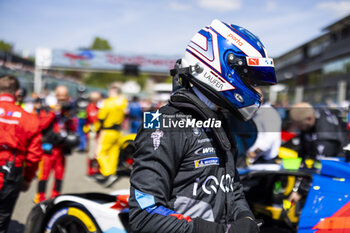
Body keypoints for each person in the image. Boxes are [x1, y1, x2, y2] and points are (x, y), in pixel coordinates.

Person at [129, 19, 277, 233]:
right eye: (247, 77)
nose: (251, 86)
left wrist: (245, 218)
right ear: (221, 67)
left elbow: (232, 186)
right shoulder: (161, 124)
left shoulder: (219, 121)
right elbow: (144, 215)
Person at [0, 75, 43, 232]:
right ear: (17, 92)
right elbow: (34, 156)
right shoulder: (29, 119)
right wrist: (27, 179)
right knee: (2, 216)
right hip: (10, 175)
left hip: (8, 173)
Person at [34, 85, 77, 203]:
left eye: (64, 96)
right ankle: (40, 197)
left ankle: (55, 197)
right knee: (44, 174)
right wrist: (54, 112)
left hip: (62, 148)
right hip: (49, 148)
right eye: (60, 95)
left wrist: (69, 117)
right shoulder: (47, 108)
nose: (62, 98)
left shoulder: (68, 110)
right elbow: (41, 125)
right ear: (56, 95)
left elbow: (72, 128)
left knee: (59, 174)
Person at [96, 83, 128, 187]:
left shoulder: (108, 102)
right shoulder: (123, 101)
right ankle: (112, 173)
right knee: (114, 153)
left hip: (108, 131)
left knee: (100, 153)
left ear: (112, 92)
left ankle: (107, 173)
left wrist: (96, 128)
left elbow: (101, 117)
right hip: (118, 131)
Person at [247, 88, 281, 164]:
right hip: (257, 159)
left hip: (265, 160)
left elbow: (270, 138)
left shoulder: (268, 113)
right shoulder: (258, 111)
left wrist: (254, 152)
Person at [85, 91, 102, 176]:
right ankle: (90, 170)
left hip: (98, 132)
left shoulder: (98, 107)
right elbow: (93, 119)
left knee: (97, 151)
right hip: (92, 132)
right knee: (91, 152)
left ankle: (97, 169)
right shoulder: (90, 108)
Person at [75, 86, 89, 152]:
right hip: (86, 117)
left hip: (80, 117)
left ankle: (81, 146)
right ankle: (83, 146)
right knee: (84, 132)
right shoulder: (87, 98)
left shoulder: (77, 98)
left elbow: (74, 107)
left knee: (80, 132)